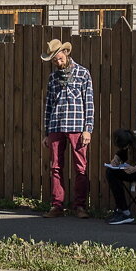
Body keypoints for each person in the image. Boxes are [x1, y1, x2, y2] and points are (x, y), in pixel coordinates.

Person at [40, 38, 94, 219]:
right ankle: (57, 206)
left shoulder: (83, 73)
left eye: (59, 58)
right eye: (54, 60)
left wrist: (88, 129)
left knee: (81, 168)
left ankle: (80, 206)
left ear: (66, 53)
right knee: (55, 167)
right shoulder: (53, 78)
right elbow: (48, 106)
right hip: (56, 125)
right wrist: (47, 132)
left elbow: (89, 103)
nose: (57, 62)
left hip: (77, 126)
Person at [105, 129, 136, 225]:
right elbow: (121, 153)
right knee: (111, 172)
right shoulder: (129, 144)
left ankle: (125, 213)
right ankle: (123, 210)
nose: (125, 149)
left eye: (125, 147)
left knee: (113, 173)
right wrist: (116, 159)